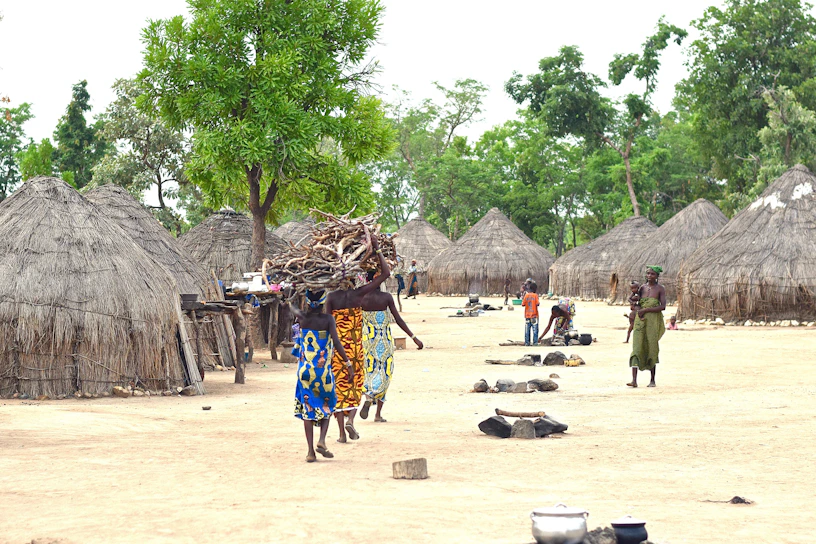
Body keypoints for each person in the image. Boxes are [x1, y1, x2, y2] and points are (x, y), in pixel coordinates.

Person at [324, 238, 391, 443]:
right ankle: (350, 420)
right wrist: (377, 249)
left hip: (338, 350)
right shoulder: (359, 294)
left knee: (339, 388)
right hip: (356, 348)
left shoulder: (331, 298)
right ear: (354, 278)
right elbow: (386, 274)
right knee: (355, 386)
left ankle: (342, 435)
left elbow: (328, 327)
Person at [290, 290, 352, 463]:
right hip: (323, 373)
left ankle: (310, 452)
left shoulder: (302, 318)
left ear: (307, 302)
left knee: (307, 409)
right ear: (324, 302)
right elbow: (337, 343)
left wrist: (293, 290)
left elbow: (290, 305)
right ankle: (322, 440)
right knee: (328, 404)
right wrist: (348, 364)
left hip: (305, 372)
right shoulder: (328, 320)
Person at [359, 271, 424, 423]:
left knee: (369, 371)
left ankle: (369, 396)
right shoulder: (386, 297)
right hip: (384, 340)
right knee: (385, 373)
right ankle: (377, 413)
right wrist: (414, 338)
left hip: (367, 340)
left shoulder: (361, 297)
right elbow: (399, 320)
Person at [628, 265, 666, 388]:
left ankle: (652, 380)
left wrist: (647, 310)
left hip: (653, 321)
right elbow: (635, 302)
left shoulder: (660, 289)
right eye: (648, 274)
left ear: (657, 276)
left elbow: (662, 306)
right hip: (640, 321)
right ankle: (634, 380)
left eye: (652, 274)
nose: (649, 276)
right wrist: (637, 308)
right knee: (637, 347)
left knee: (651, 347)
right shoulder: (642, 288)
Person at [522, 281, 540, 346]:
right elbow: (537, 304)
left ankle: (527, 342)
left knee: (527, 330)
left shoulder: (526, 295)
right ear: (535, 289)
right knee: (535, 330)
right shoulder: (535, 295)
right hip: (534, 315)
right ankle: (535, 342)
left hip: (527, 315)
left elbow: (523, 304)